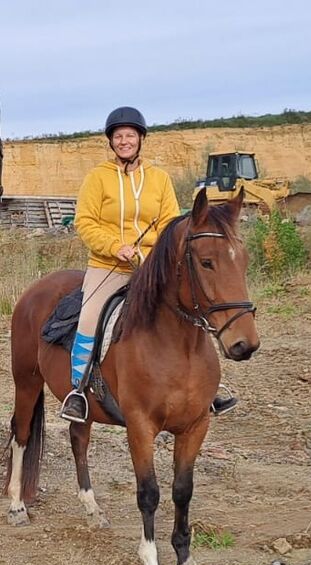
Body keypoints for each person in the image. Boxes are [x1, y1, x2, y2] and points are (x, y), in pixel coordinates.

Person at [60, 106, 237, 423]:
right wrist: (116, 247)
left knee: (194, 311)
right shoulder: (97, 178)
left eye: (130, 135)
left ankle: (207, 390)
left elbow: (171, 223)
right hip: (108, 266)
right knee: (89, 318)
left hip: (153, 267)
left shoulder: (159, 179)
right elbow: (85, 222)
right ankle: (78, 390)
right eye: (118, 136)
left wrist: (154, 253)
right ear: (111, 142)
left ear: (140, 139)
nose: (124, 141)